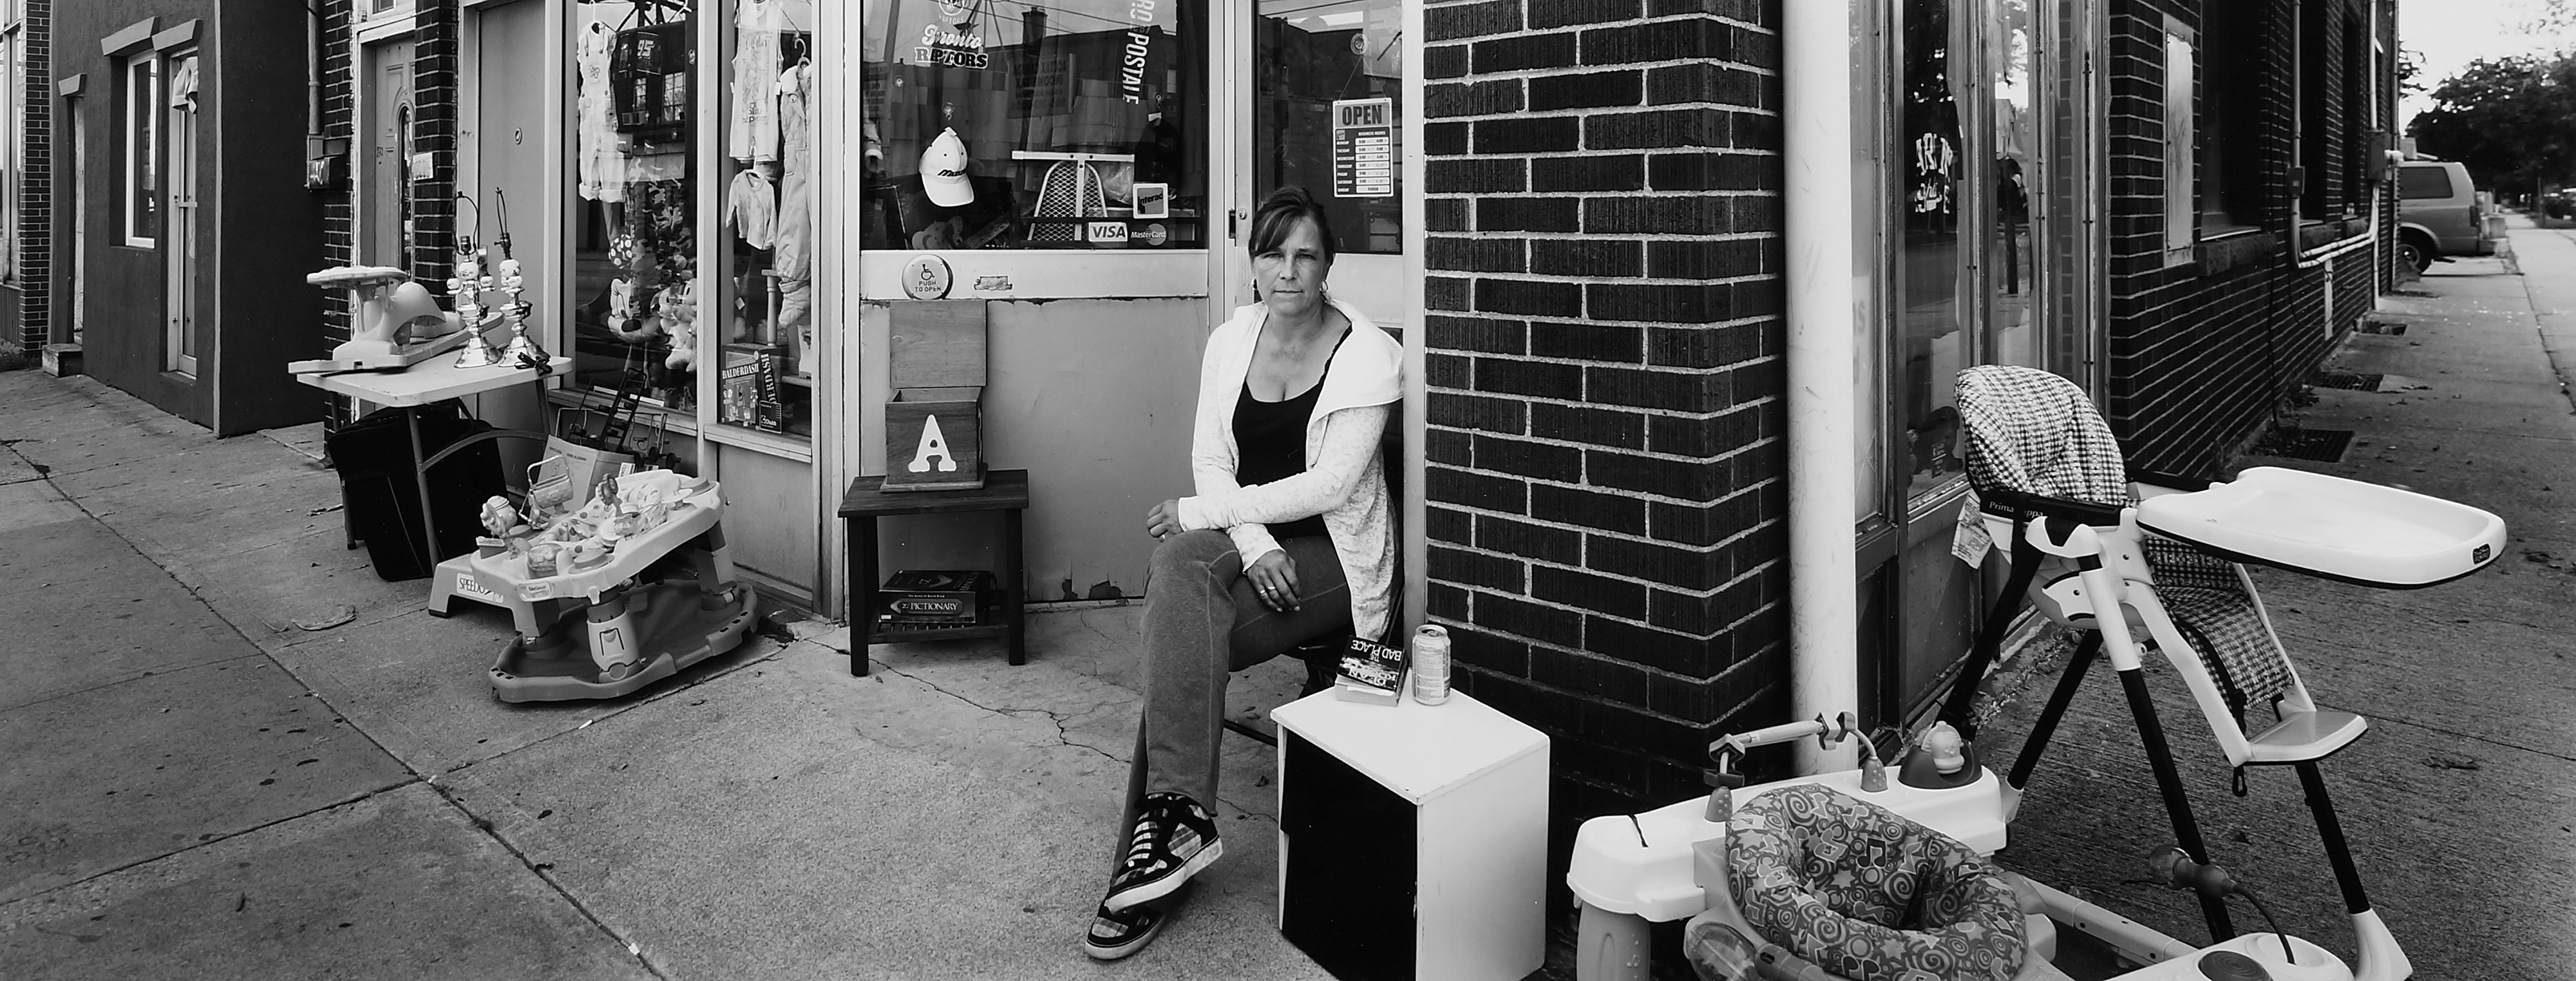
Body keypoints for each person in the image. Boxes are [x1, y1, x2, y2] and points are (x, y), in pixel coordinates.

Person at [1083, 187, 1403, 960]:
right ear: (1251, 260)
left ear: (1329, 264)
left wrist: (1206, 511)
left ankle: (1154, 845)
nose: (1286, 272)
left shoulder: (1367, 356)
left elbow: (1329, 486)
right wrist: (1252, 541)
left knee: (1183, 630)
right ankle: (1177, 823)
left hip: (1333, 558)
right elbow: (1209, 460)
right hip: (1256, 541)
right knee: (1180, 586)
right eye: (1271, 253)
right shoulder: (1232, 339)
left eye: (1304, 255)